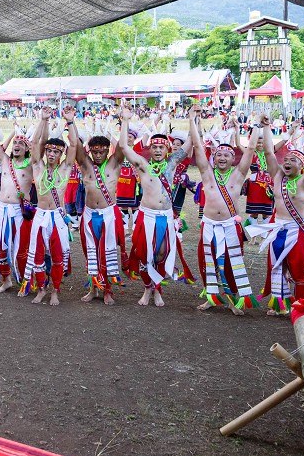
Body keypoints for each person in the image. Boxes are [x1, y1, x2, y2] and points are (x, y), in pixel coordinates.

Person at [245, 115, 304, 315]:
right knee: (278, 267)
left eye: (293, 160)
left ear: (302, 166)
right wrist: (266, 127)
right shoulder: (278, 176)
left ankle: (302, 305)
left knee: (300, 270)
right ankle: (281, 304)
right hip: (278, 227)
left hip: (299, 230)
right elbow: (270, 152)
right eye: (285, 159)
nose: (287, 162)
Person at [118, 107, 194, 307]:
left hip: (165, 217)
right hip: (147, 215)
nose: (158, 150)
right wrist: (125, 120)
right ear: (150, 150)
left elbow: (191, 142)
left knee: (161, 254)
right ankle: (147, 289)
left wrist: (193, 119)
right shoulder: (142, 165)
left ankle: (157, 289)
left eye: (162, 147)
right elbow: (124, 147)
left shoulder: (172, 163)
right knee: (144, 254)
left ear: (167, 150)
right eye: (155, 147)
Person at [188, 105, 259, 315]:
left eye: (227, 155)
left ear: (233, 159)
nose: (222, 158)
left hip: (230, 226)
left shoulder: (238, 176)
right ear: (214, 157)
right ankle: (211, 297)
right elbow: (199, 148)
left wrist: (257, 127)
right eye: (218, 154)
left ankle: (230, 299)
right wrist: (192, 118)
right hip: (209, 225)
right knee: (207, 262)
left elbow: (251, 151)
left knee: (230, 263)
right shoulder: (207, 174)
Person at [17, 105, 77, 305]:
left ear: (61, 154)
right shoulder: (37, 166)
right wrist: (43, 119)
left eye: (55, 152)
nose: (51, 154)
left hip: (58, 216)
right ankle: (41, 288)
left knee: (58, 255)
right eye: (49, 150)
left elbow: (75, 146)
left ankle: (55, 291)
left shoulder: (65, 169)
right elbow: (35, 143)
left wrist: (70, 121)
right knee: (38, 253)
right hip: (41, 215)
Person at [73, 123, 128, 305]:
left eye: (101, 152)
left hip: (108, 215)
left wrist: (125, 120)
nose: (98, 156)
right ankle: (93, 288)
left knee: (107, 252)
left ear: (107, 152)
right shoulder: (85, 165)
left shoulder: (114, 164)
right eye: (94, 152)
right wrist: (70, 122)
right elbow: (76, 146)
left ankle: (108, 291)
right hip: (89, 215)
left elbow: (123, 144)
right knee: (91, 253)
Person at [0, 107, 35, 294]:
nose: (16, 145)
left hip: (18, 212)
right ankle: (6, 280)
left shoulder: (31, 165)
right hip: (2, 210)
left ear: (27, 148)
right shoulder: (5, 161)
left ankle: (24, 281)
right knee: (1, 246)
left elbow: (39, 147)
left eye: (21, 144)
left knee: (21, 247)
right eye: (15, 143)